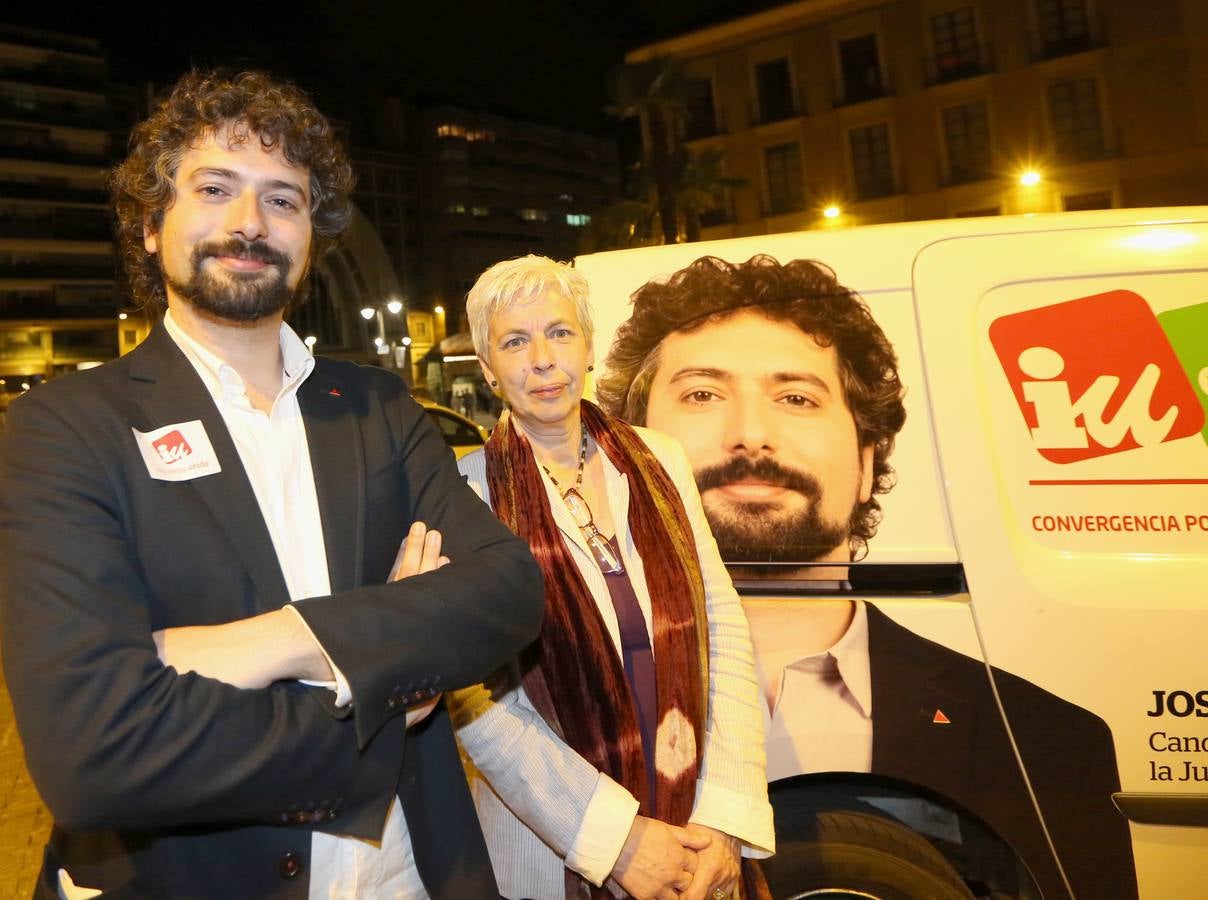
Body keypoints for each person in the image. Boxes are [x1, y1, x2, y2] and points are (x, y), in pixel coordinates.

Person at [0, 69, 544, 900]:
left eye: (283, 200)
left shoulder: (376, 405)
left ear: (311, 240)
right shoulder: (65, 428)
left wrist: (277, 640)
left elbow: (508, 591)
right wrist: (386, 696)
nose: (250, 223)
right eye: (215, 189)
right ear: (151, 225)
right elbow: (97, 754)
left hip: (412, 873)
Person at [598, 254, 1137, 900]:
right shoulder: (561, 697)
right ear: (628, 448)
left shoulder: (1047, 735)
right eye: (702, 394)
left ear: (865, 456)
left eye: (796, 397)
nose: (750, 434)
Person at [448, 255, 775, 900]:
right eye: (515, 341)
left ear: (589, 346)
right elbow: (477, 701)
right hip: (554, 845)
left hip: (693, 827)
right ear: (488, 369)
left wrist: (722, 817)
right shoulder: (464, 497)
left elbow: (720, 626)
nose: (542, 359)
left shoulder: (661, 460)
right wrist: (617, 841)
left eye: (559, 332)